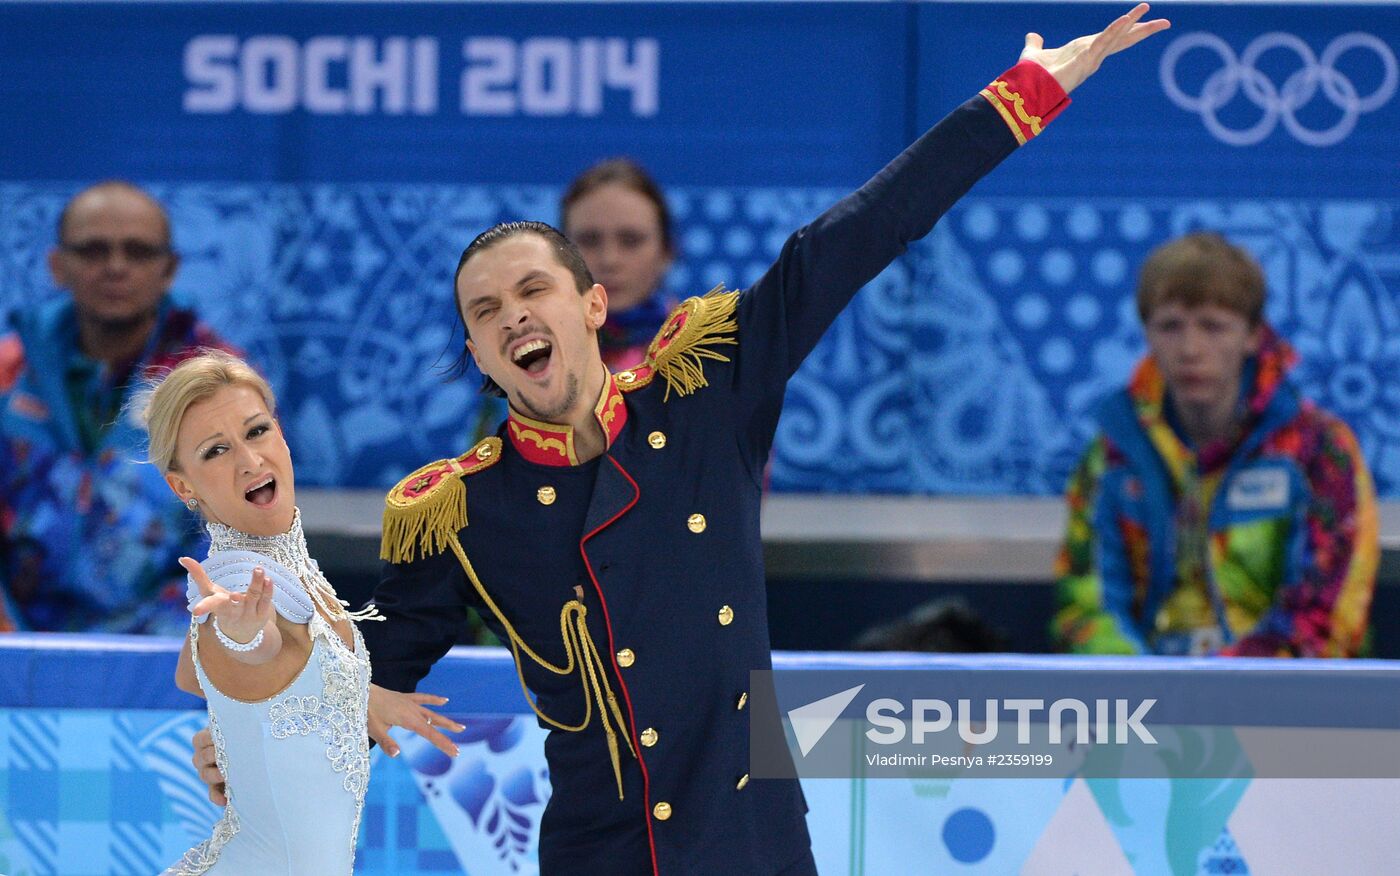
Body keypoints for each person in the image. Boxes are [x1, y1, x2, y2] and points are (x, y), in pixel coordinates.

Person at [193, 6, 1169, 872]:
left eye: (532, 290)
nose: (512, 317)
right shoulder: (460, 510)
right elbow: (369, 677)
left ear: (589, 304)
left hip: (750, 842)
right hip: (597, 852)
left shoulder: (704, 392)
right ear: (480, 356)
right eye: (484, 312)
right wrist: (256, 735)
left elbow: (861, 233)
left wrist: (1023, 94)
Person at [139, 351, 457, 874]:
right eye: (216, 451)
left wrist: (347, 694)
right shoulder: (238, 582)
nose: (248, 460)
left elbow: (193, 673)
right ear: (183, 485)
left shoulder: (285, 562)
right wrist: (243, 640)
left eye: (257, 431)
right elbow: (245, 643)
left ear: (282, 434)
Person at [1052, 232, 1379, 657]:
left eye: (1213, 326)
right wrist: (1146, 691)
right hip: (1143, 701)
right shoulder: (1111, 455)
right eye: (1170, 326)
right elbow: (1087, 608)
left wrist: (1222, 690)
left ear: (1252, 336)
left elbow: (1328, 616)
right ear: (1147, 334)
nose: (1190, 349)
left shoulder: (1318, 449)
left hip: (1281, 702)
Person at [0, 181, 240, 633]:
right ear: (57, 265)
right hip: (15, 644)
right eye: (93, 251)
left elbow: (245, 534)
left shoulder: (219, 383)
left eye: (138, 251)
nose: (115, 267)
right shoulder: (7, 374)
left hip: (166, 649)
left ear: (169, 268)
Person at [561, 159, 677, 371]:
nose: (610, 260)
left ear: (666, 252)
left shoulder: (701, 354)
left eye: (631, 240)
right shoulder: (531, 355)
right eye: (589, 240)